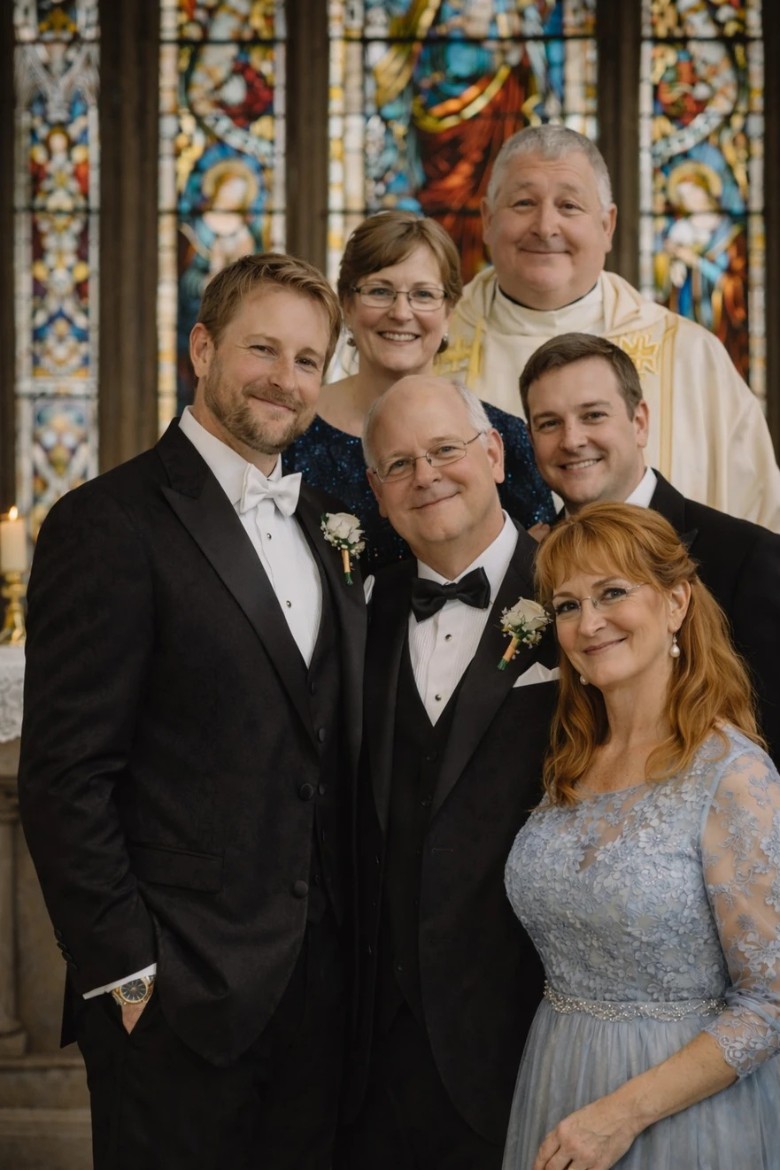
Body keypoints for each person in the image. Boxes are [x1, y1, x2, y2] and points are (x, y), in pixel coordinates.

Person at [18, 254, 367, 1170]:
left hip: (322, 993)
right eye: (262, 348)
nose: (285, 379)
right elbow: (66, 775)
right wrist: (128, 970)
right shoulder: (109, 521)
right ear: (201, 348)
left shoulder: (330, 524)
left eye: (306, 359)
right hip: (176, 995)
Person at [503, 502, 780, 1170]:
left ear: (677, 601)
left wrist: (619, 1117)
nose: (589, 623)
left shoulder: (735, 775)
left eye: (613, 594)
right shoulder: (568, 762)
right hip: (557, 1082)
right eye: (567, 606)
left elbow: (771, 1002)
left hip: (680, 1116)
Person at [339, 374, 558, 1169]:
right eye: (398, 465)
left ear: (495, 453)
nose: (425, 475)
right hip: (373, 1055)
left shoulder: (578, 598)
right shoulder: (356, 609)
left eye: (444, 450)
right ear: (376, 491)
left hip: (521, 1036)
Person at [440, 124, 780, 530]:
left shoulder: (690, 356)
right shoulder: (431, 348)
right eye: (523, 203)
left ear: (607, 225)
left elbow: (760, 525)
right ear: (487, 219)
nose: (546, 226)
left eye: (569, 206)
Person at [519, 331, 780, 761]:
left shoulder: (747, 557)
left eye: (593, 415)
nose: (571, 440)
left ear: (639, 421)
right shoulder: (525, 560)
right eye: (549, 423)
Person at [284, 211, 553, 570]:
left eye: (423, 295)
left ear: (449, 312)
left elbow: (538, 567)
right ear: (347, 305)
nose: (400, 312)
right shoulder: (292, 434)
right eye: (380, 291)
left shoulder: (502, 437)